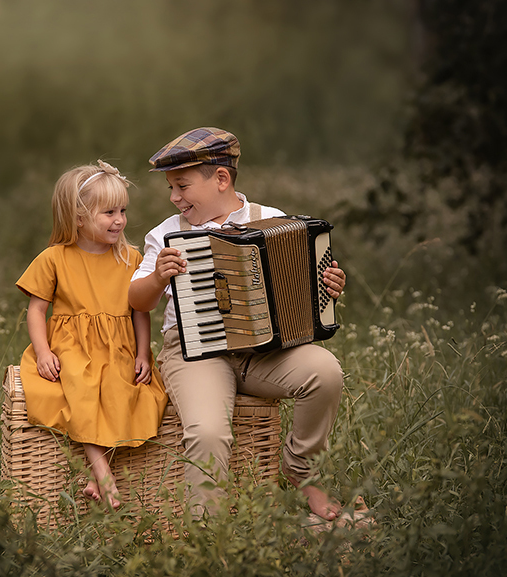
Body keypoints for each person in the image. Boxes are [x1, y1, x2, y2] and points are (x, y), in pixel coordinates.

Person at [128, 127, 347, 520]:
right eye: (171, 188)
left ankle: (301, 470)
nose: (174, 197)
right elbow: (136, 300)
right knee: (208, 431)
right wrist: (158, 277)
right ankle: (207, 533)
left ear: (221, 179)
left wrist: (328, 283)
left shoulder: (272, 220)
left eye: (182, 186)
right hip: (195, 353)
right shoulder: (167, 234)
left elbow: (304, 283)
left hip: (264, 352)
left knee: (325, 372)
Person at [17, 159, 169, 509]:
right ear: (79, 218)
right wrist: (43, 352)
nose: (119, 220)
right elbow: (36, 311)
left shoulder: (130, 258)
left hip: (119, 347)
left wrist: (142, 354)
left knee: (124, 392)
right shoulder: (54, 258)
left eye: (123, 211)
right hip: (72, 346)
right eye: (109, 213)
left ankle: (94, 476)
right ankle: (105, 477)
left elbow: (140, 311)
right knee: (82, 390)